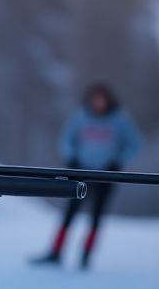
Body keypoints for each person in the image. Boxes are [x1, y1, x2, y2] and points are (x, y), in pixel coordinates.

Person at [31, 81, 141, 270]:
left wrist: (117, 161)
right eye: (95, 99)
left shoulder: (119, 120)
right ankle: (56, 251)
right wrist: (71, 158)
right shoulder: (81, 117)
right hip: (81, 172)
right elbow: (66, 139)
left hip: (106, 176)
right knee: (69, 213)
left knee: (96, 216)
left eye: (102, 100)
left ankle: (86, 256)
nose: (98, 103)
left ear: (108, 100)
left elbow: (135, 144)